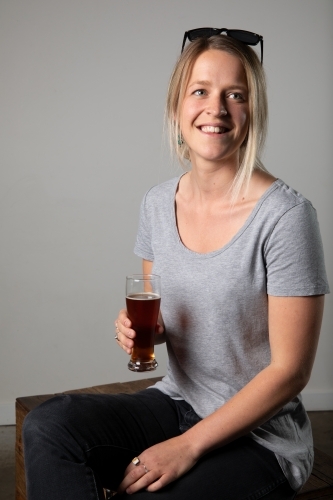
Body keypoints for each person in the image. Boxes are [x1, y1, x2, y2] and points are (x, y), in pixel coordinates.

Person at [23, 29, 329, 500]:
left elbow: (290, 372)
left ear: (253, 111)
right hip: (178, 401)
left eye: (236, 95)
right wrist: (142, 329)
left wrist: (185, 447)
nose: (217, 108)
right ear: (176, 107)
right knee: (50, 426)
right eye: (201, 91)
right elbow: (165, 318)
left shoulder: (286, 217)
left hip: (263, 438)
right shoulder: (157, 203)